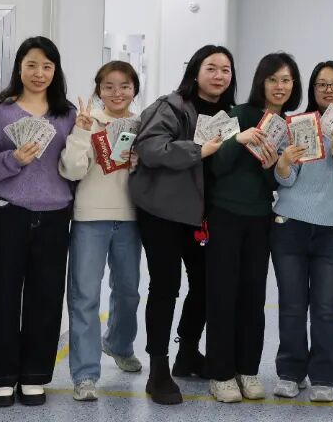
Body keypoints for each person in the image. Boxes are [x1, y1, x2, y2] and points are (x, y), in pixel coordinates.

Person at [129, 44, 236, 405]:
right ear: (195, 72)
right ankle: (157, 368)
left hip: (201, 215)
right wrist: (197, 150)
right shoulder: (171, 106)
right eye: (211, 68)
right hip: (162, 210)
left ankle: (187, 353)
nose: (219, 75)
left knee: (206, 283)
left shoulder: (230, 114)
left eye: (225, 69)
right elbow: (151, 149)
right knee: (166, 285)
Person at [0, 37, 76, 407]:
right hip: (10, 213)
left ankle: (35, 375)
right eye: (31, 64)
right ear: (19, 67)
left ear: (55, 71)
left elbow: (76, 165)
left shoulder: (67, 114)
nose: (39, 73)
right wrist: (13, 160)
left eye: (47, 66)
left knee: (46, 297)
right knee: (3, 295)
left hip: (55, 215)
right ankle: (0, 377)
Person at [271, 60, 333, 403]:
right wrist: (285, 164)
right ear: (312, 90)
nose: (329, 90)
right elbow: (284, 181)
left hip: (332, 230)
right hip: (289, 225)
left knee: (326, 307)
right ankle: (290, 372)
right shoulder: (296, 126)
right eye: (322, 84)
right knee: (292, 305)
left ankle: (324, 376)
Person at [204, 52, 300, 402]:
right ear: (261, 81)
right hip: (225, 215)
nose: (279, 86)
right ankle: (220, 373)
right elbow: (216, 167)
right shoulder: (238, 114)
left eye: (286, 80)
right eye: (273, 79)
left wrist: (274, 166)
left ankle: (247, 369)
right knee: (222, 294)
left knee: (253, 296)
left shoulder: (289, 125)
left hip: (261, 218)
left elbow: (276, 184)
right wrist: (239, 139)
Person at [59, 61, 143, 401]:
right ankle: (85, 375)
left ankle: (119, 344)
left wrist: (141, 163)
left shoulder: (143, 123)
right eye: (108, 86)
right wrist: (81, 134)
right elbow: (71, 170)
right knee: (85, 296)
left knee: (128, 292)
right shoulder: (87, 121)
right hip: (90, 217)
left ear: (134, 89)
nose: (116, 93)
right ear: (98, 90)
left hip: (130, 218)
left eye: (124, 86)